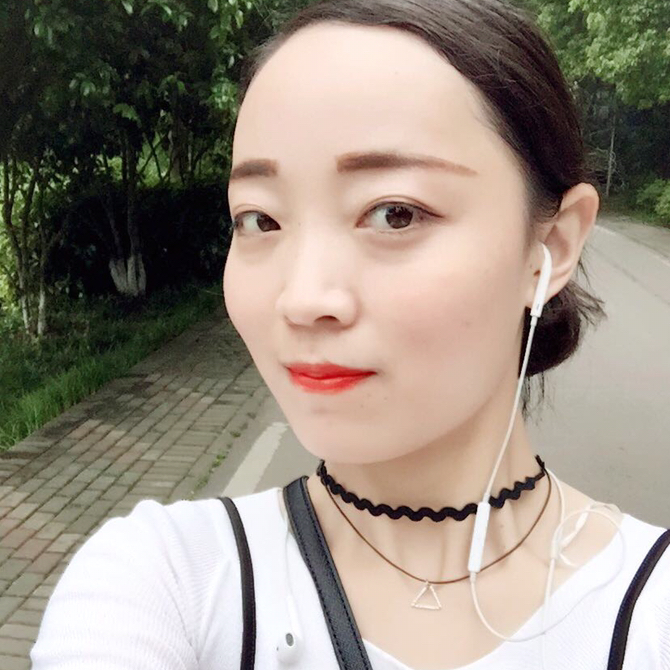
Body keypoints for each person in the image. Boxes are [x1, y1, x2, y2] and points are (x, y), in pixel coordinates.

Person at [31, 1, 670, 669]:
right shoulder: (168, 582)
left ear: (552, 246)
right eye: (259, 220)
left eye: (395, 213)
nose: (304, 299)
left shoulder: (652, 614)